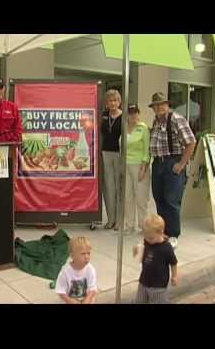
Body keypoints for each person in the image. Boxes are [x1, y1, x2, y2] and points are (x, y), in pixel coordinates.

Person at [149, 92, 196, 249]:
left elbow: (191, 142)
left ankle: (174, 235)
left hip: (172, 162)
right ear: (153, 108)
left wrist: (182, 164)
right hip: (158, 163)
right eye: (156, 105)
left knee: (171, 200)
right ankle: (163, 231)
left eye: (162, 104)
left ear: (168, 105)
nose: (160, 107)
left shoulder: (176, 119)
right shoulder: (156, 121)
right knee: (159, 198)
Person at [133, 213, 178, 304]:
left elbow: (173, 263)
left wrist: (174, 276)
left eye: (151, 238)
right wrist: (136, 250)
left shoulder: (166, 248)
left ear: (161, 232)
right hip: (144, 281)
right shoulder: (147, 242)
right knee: (140, 301)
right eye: (146, 237)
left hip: (159, 285)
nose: (148, 240)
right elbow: (138, 257)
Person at [121, 104, 150, 235]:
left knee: (141, 197)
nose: (133, 115)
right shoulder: (124, 128)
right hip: (125, 165)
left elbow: (146, 149)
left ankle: (143, 226)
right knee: (127, 196)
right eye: (130, 113)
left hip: (139, 165)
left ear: (138, 113)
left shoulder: (143, 128)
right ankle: (129, 225)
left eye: (135, 112)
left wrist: (144, 167)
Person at [101, 89, 122, 230]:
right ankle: (111, 219)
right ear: (106, 103)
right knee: (109, 188)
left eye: (115, 100)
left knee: (120, 187)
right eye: (110, 101)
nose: (112, 103)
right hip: (105, 154)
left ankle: (120, 221)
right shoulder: (103, 115)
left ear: (119, 102)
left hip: (120, 154)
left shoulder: (124, 116)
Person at [55, 237, 98, 304]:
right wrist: (70, 301)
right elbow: (61, 291)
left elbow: (92, 289)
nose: (87, 256)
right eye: (83, 253)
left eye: (88, 253)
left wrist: (86, 301)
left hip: (86, 300)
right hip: (69, 301)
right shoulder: (65, 271)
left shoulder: (90, 270)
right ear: (72, 255)